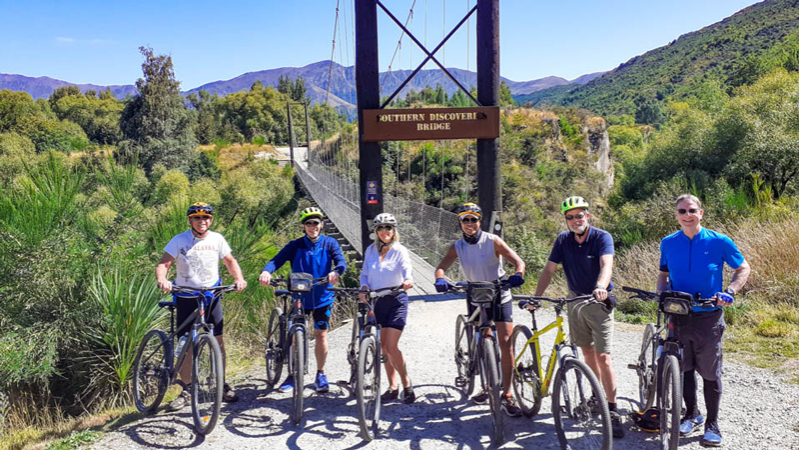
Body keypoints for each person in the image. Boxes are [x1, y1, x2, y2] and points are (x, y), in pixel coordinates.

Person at [657, 194, 750, 447]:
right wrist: (660, 292)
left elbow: (743, 268)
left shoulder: (719, 241)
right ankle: (691, 414)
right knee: (684, 368)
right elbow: (664, 273)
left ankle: (712, 423)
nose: (687, 215)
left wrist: (729, 292)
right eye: (682, 211)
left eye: (692, 210)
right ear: (676, 215)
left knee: (710, 371)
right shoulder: (668, 242)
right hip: (678, 315)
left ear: (701, 213)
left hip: (709, 316)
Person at [533, 196, 624, 438]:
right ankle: (596, 398)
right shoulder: (563, 240)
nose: (575, 220)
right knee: (586, 353)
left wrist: (601, 286)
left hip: (598, 302)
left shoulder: (602, 237)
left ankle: (613, 409)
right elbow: (549, 269)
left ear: (588, 215)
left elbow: (607, 265)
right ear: (566, 220)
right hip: (574, 301)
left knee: (603, 357)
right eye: (570, 217)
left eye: (579, 215)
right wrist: (537, 297)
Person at [434, 202, 526, 418]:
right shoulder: (457, 246)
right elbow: (441, 267)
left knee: (505, 343)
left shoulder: (493, 240)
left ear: (480, 221)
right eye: (465, 219)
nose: (469, 223)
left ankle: (507, 394)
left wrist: (518, 274)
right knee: (483, 339)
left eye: (473, 219)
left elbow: (518, 262)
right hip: (475, 292)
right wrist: (439, 278)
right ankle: (487, 385)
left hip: (498, 290)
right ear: (460, 222)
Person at [156, 202, 248, 411]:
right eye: (197, 218)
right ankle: (188, 388)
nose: (202, 221)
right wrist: (163, 280)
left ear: (211, 220)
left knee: (218, 340)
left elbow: (229, 261)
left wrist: (239, 278)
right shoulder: (179, 240)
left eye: (206, 217)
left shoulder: (217, 239)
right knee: (186, 343)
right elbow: (164, 264)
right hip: (186, 295)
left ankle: (221, 384)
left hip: (211, 295)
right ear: (190, 221)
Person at [258, 207, 347, 394]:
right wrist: (267, 271)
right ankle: (292, 373)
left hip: (323, 297)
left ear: (321, 225)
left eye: (316, 222)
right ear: (303, 226)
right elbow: (276, 260)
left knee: (321, 335)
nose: (312, 226)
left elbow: (341, 262)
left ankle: (320, 374)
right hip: (299, 297)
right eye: (308, 223)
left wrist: (336, 272)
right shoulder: (295, 245)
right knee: (294, 337)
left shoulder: (330, 243)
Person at [359, 213, 416, 404]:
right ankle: (393, 387)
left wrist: (408, 279)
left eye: (388, 228)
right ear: (376, 231)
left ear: (394, 231)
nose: (385, 231)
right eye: (381, 228)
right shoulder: (370, 251)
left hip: (396, 300)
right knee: (383, 347)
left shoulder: (400, 250)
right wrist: (364, 287)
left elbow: (407, 267)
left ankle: (406, 384)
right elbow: (365, 273)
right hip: (377, 300)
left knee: (391, 346)